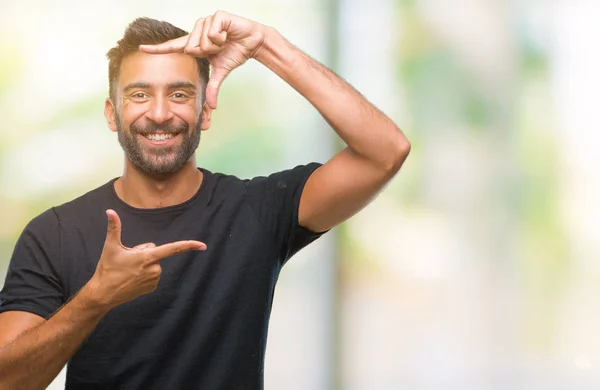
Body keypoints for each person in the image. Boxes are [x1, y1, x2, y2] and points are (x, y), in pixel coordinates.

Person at [0, 10, 410, 390]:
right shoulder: (54, 234)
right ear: (112, 113)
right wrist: (95, 299)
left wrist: (266, 44)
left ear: (206, 111)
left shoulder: (257, 210)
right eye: (139, 95)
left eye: (179, 94)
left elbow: (386, 151)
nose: (159, 113)